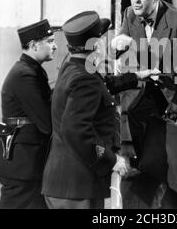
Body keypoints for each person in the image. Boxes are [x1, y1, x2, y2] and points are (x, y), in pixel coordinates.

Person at [41, 11, 159, 209]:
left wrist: (136, 76)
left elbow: (102, 86)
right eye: (102, 39)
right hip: (76, 188)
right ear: (95, 45)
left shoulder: (73, 67)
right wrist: (110, 159)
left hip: (68, 182)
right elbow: (76, 130)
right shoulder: (84, 78)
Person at [113, 0, 177, 208]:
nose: (136, 0)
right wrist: (119, 53)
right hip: (139, 101)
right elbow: (123, 49)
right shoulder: (129, 14)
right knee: (141, 166)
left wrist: (169, 76)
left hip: (169, 101)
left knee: (168, 168)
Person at [0, 19, 57, 209]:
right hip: (22, 162)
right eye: (49, 41)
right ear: (33, 45)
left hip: (25, 160)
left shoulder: (32, 70)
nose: (54, 46)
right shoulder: (24, 74)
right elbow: (46, 122)